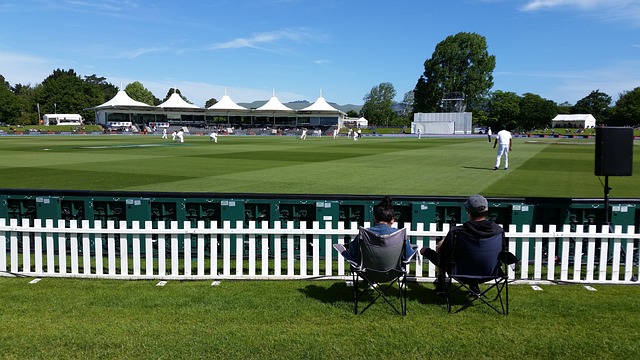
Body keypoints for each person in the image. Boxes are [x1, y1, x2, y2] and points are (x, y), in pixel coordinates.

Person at [420, 194, 506, 293]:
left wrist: (427, 252)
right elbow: (503, 254)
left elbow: (442, 260)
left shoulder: (457, 232)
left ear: (467, 211)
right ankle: (473, 287)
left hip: (460, 273)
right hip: (491, 273)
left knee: (441, 246)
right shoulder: (498, 231)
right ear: (486, 211)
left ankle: (442, 287)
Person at [343, 196, 417, 263]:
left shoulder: (365, 233)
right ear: (392, 220)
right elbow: (407, 256)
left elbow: (352, 252)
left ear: (375, 219)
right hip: (394, 271)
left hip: (367, 272)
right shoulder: (400, 234)